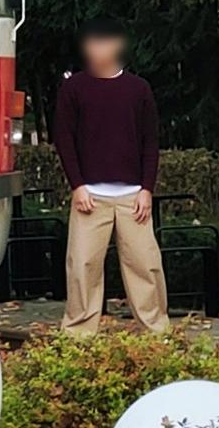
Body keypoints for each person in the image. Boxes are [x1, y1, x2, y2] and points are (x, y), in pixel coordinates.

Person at [53, 18, 170, 335]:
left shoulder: (138, 89)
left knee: (145, 264)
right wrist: (77, 185)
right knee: (82, 265)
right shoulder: (73, 88)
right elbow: (65, 140)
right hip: (90, 195)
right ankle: (78, 334)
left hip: (133, 196)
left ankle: (156, 331)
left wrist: (147, 188)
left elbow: (150, 141)